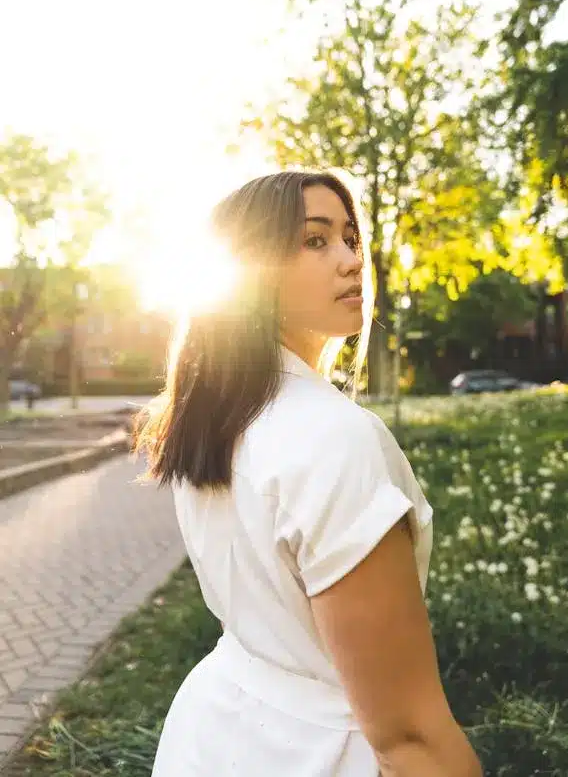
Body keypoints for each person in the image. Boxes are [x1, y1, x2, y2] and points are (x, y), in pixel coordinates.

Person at [135, 170, 483, 777]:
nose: (352, 261)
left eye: (351, 237)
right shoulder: (335, 438)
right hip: (321, 753)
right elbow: (410, 736)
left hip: (219, 732)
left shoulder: (215, 421)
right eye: (315, 241)